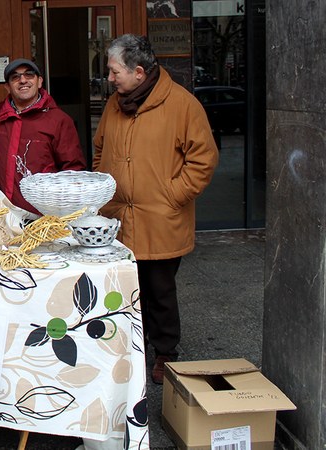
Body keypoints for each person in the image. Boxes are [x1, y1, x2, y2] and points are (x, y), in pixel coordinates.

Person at [92, 34, 218, 384]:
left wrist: (172, 195)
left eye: (114, 72)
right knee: (124, 287)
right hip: (118, 217)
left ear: (138, 71)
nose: (110, 78)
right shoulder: (114, 105)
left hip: (161, 218)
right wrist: (105, 188)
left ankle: (165, 353)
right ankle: (133, 347)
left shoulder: (182, 104)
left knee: (159, 290)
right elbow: (100, 149)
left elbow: (203, 160)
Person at [0, 59, 86, 214]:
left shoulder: (59, 120)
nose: (23, 80)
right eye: (15, 77)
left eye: (29, 75)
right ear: (7, 87)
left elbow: (73, 172)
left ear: (39, 82)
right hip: (0, 213)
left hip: (42, 216)